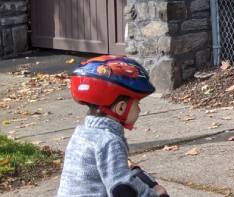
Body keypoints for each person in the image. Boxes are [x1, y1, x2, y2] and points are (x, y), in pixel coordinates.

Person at [56, 55, 169, 197]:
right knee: (149, 184)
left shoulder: (81, 133)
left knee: (134, 171)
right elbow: (122, 189)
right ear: (121, 108)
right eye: (137, 104)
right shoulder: (109, 141)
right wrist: (153, 193)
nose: (139, 110)